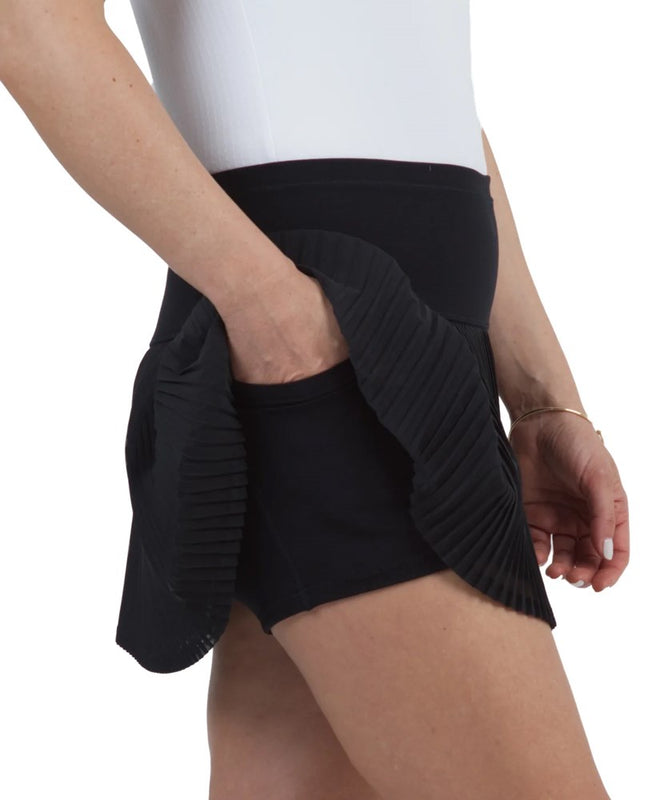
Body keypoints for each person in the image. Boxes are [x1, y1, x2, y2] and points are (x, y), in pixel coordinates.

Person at [0, 1, 630, 798]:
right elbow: (28, 19)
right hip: (330, 348)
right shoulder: (300, 331)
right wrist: (269, 309)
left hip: (389, 349)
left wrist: (541, 398)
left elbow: (419, 89)